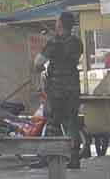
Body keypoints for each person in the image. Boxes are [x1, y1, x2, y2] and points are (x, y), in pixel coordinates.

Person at [35, 11, 84, 169]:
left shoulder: (53, 43)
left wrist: (42, 68)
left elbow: (38, 62)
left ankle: (47, 158)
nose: (55, 23)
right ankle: (75, 158)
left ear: (61, 24)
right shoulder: (77, 42)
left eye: (57, 21)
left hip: (56, 89)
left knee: (52, 122)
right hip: (73, 87)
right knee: (72, 122)